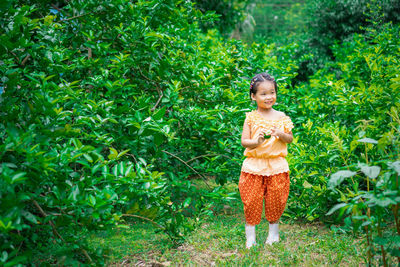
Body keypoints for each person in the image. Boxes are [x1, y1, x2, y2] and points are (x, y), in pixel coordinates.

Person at [239, 72, 294, 249]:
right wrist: (256, 142)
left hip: (276, 165)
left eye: (272, 92)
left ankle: (274, 234)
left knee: (276, 200)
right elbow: (244, 141)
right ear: (253, 96)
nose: (269, 97)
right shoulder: (251, 117)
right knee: (251, 200)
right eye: (263, 94)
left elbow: (290, 139)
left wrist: (281, 134)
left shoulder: (281, 117)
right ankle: (250, 237)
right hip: (253, 166)